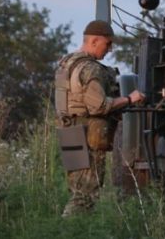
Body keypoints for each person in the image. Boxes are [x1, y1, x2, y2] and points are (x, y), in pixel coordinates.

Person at [54, 20, 145, 217]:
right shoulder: (90, 69)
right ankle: (69, 231)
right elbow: (99, 106)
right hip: (88, 136)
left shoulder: (66, 63)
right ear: (95, 41)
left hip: (69, 132)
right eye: (108, 43)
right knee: (86, 195)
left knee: (77, 190)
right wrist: (130, 98)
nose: (109, 49)